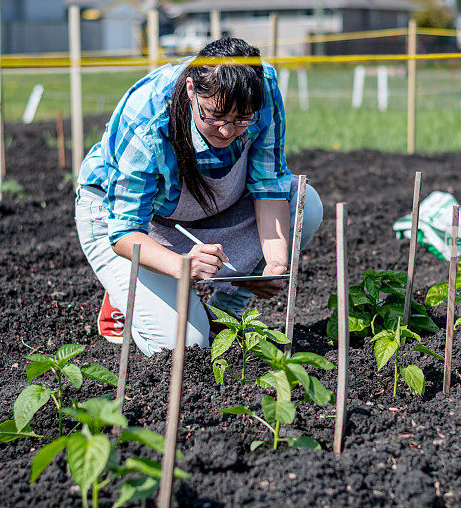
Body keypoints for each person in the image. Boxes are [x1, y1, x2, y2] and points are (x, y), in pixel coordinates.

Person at [74, 38, 323, 356]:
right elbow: (124, 232)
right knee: (185, 346)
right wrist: (181, 266)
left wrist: (272, 264)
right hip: (132, 222)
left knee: (305, 204)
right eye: (214, 116)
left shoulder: (261, 86)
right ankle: (123, 299)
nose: (226, 131)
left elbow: (269, 186)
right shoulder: (145, 117)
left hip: (204, 205)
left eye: (242, 120)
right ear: (191, 90)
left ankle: (225, 312)